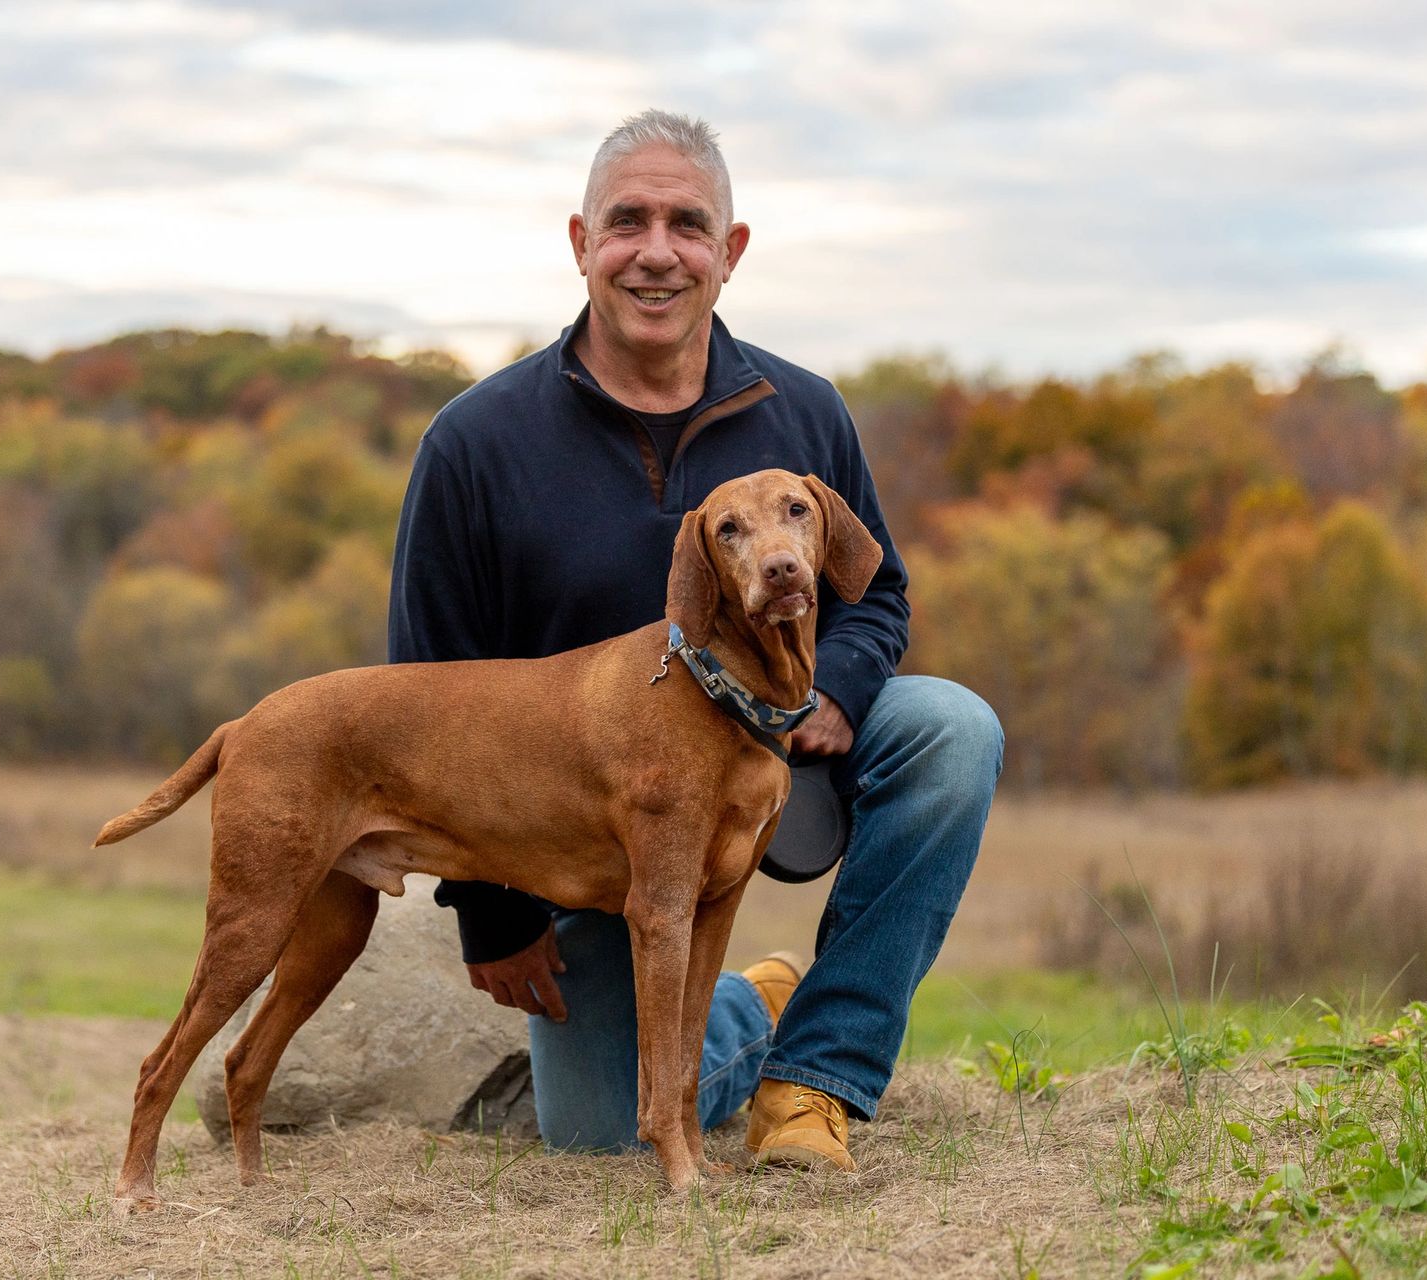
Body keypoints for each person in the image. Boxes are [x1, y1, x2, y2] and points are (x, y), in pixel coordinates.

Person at [388, 109, 1002, 1172]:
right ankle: (748, 1006)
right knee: (597, 1130)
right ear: (582, 243)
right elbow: (426, 698)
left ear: (731, 250)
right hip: (595, 822)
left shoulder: (804, 410)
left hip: (786, 747)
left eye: (688, 222)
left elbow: (878, 589)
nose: (657, 251)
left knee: (952, 730)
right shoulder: (477, 443)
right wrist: (486, 908)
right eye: (628, 221)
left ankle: (818, 1077)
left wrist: (840, 690)